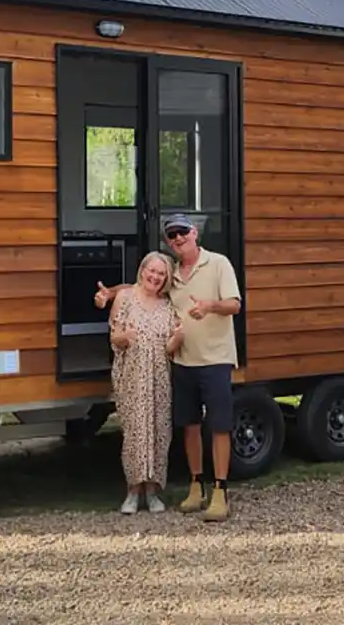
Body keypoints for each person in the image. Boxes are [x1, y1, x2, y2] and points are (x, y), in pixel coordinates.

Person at [95, 214, 242, 522]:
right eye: (171, 235)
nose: (177, 238)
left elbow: (234, 305)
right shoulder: (173, 273)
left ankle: (220, 491)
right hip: (183, 363)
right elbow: (143, 283)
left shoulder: (218, 264)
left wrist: (209, 306)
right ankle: (195, 486)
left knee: (219, 425)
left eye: (182, 232)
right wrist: (110, 293)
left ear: (194, 233)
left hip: (215, 359)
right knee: (189, 426)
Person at [108, 251, 185, 514]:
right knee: (134, 433)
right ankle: (132, 491)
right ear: (142, 270)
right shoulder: (125, 298)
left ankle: (153, 491)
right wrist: (125, 337)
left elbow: (171, 348)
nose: (155, 276)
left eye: (161, 274)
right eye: (151, 271)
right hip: (131, 375)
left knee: (159, 432)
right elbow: (114, 339)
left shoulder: (167, 306)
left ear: (165, 279)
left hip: (159, 377)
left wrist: (179, 336)